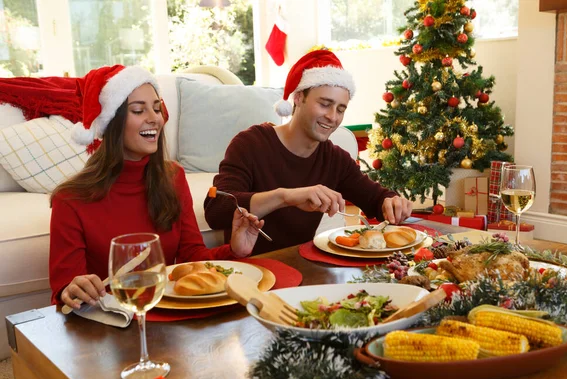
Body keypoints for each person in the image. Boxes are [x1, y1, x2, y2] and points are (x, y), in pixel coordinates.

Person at [50, 65, 264, 310]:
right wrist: (73, 288)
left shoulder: (173, 177)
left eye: (156, 108)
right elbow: (64, 291)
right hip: (108, 323)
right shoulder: (69, 199)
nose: (154, 118)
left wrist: (235, 250)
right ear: (112, 122)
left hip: (167, 317)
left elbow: (191, 257)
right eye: (138, 110)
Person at [204, 50, 412, 255]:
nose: (332, 117)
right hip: (253, 271)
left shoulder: (334, 159)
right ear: (298, 97)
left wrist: (392, 202)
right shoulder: (251, 143)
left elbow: (376, 199)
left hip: (303, 268)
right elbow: (217, 210)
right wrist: (286, 197)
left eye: (340, 109)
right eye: (324, 104)